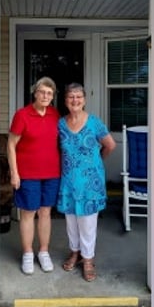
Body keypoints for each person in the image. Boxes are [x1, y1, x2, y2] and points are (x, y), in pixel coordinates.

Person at [56, 83, 116, 282]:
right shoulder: (60, 124)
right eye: (71, 97)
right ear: (65, 101)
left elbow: (110, 145)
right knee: (71, 221)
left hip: (90, 182)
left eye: (78, 97)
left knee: (88, 223)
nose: (75, 100)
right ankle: (75, 252)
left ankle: (88, 258)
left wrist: (95, 162)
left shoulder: (94, 123)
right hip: (68, 181)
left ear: (84, 99)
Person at [7, 76, 61, 275]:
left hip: (51, 172)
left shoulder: (55, 115)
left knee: (45, 212)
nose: (46, 96)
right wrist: (14, 172)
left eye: (50, 93)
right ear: (35, 93)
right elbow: (11, 144)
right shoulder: (22, 115)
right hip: (28, 174)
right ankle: (28, 253)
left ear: (53, 96)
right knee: (28, 213)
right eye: (42, 92)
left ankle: (43, 252)